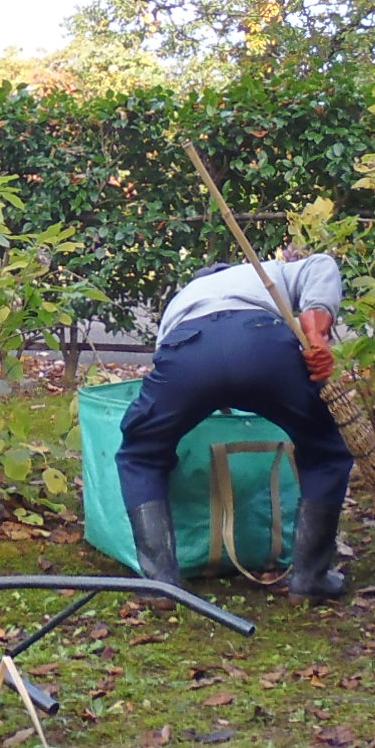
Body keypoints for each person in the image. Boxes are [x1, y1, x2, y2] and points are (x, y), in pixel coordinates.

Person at [115, 252, 357, 601]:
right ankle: (310, 580)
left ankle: (161, 585)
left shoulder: (185, 297)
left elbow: (168, 363)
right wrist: (317, 332)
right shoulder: (271, 272)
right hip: (264, 344)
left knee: (140, 453)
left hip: (189, 348)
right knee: (325, 452)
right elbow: (322, 265)